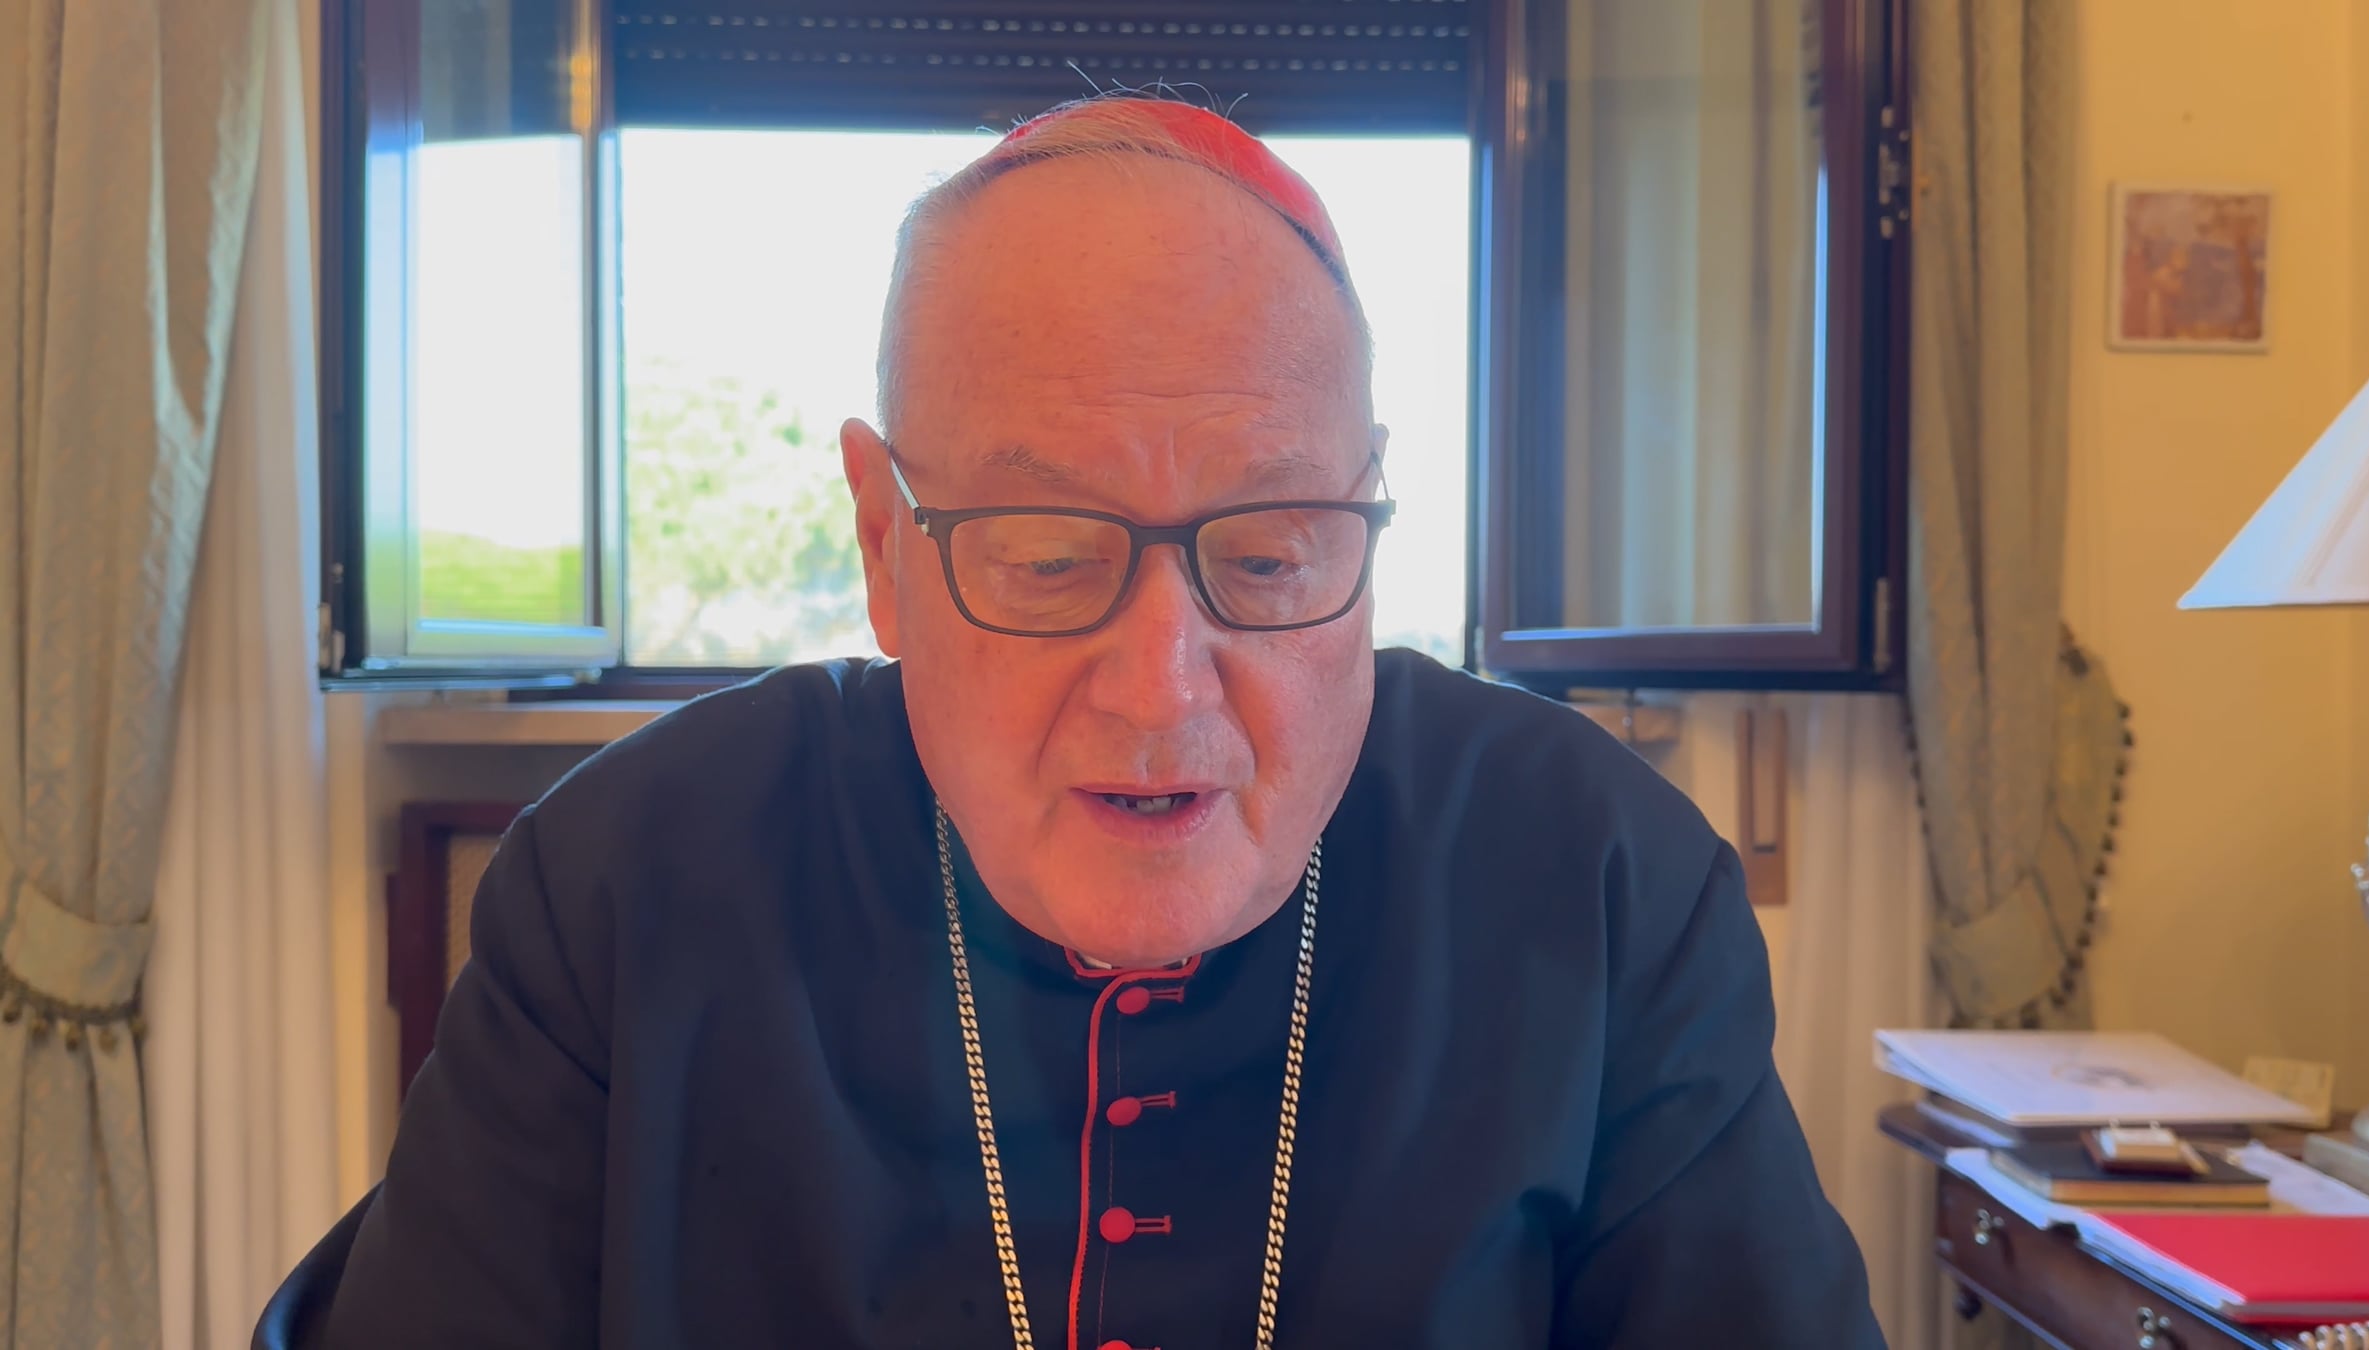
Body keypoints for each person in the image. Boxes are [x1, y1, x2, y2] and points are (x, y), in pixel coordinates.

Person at [299, 96, 1883, 1349]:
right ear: (883, 541)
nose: (1162, 684)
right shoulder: (621, 884)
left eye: (1269, 556)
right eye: (1050, 558)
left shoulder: (1604, 882)